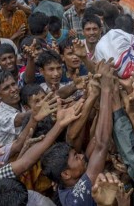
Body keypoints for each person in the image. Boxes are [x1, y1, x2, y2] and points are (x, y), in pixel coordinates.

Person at [41, 60, 114, 205]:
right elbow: (101, 145)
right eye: (76, 157)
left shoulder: (68, 183)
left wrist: (93, 95)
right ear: (66, 174)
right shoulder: (76, 197)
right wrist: (106, 89)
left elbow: (94, 141)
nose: (81, 156)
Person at [0, 69, 30, 145]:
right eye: (6, 88)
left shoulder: (23, 98)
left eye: (13, 84)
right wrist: (40, 107)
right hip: (11, 155)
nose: (13, 89)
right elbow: (20, 119)